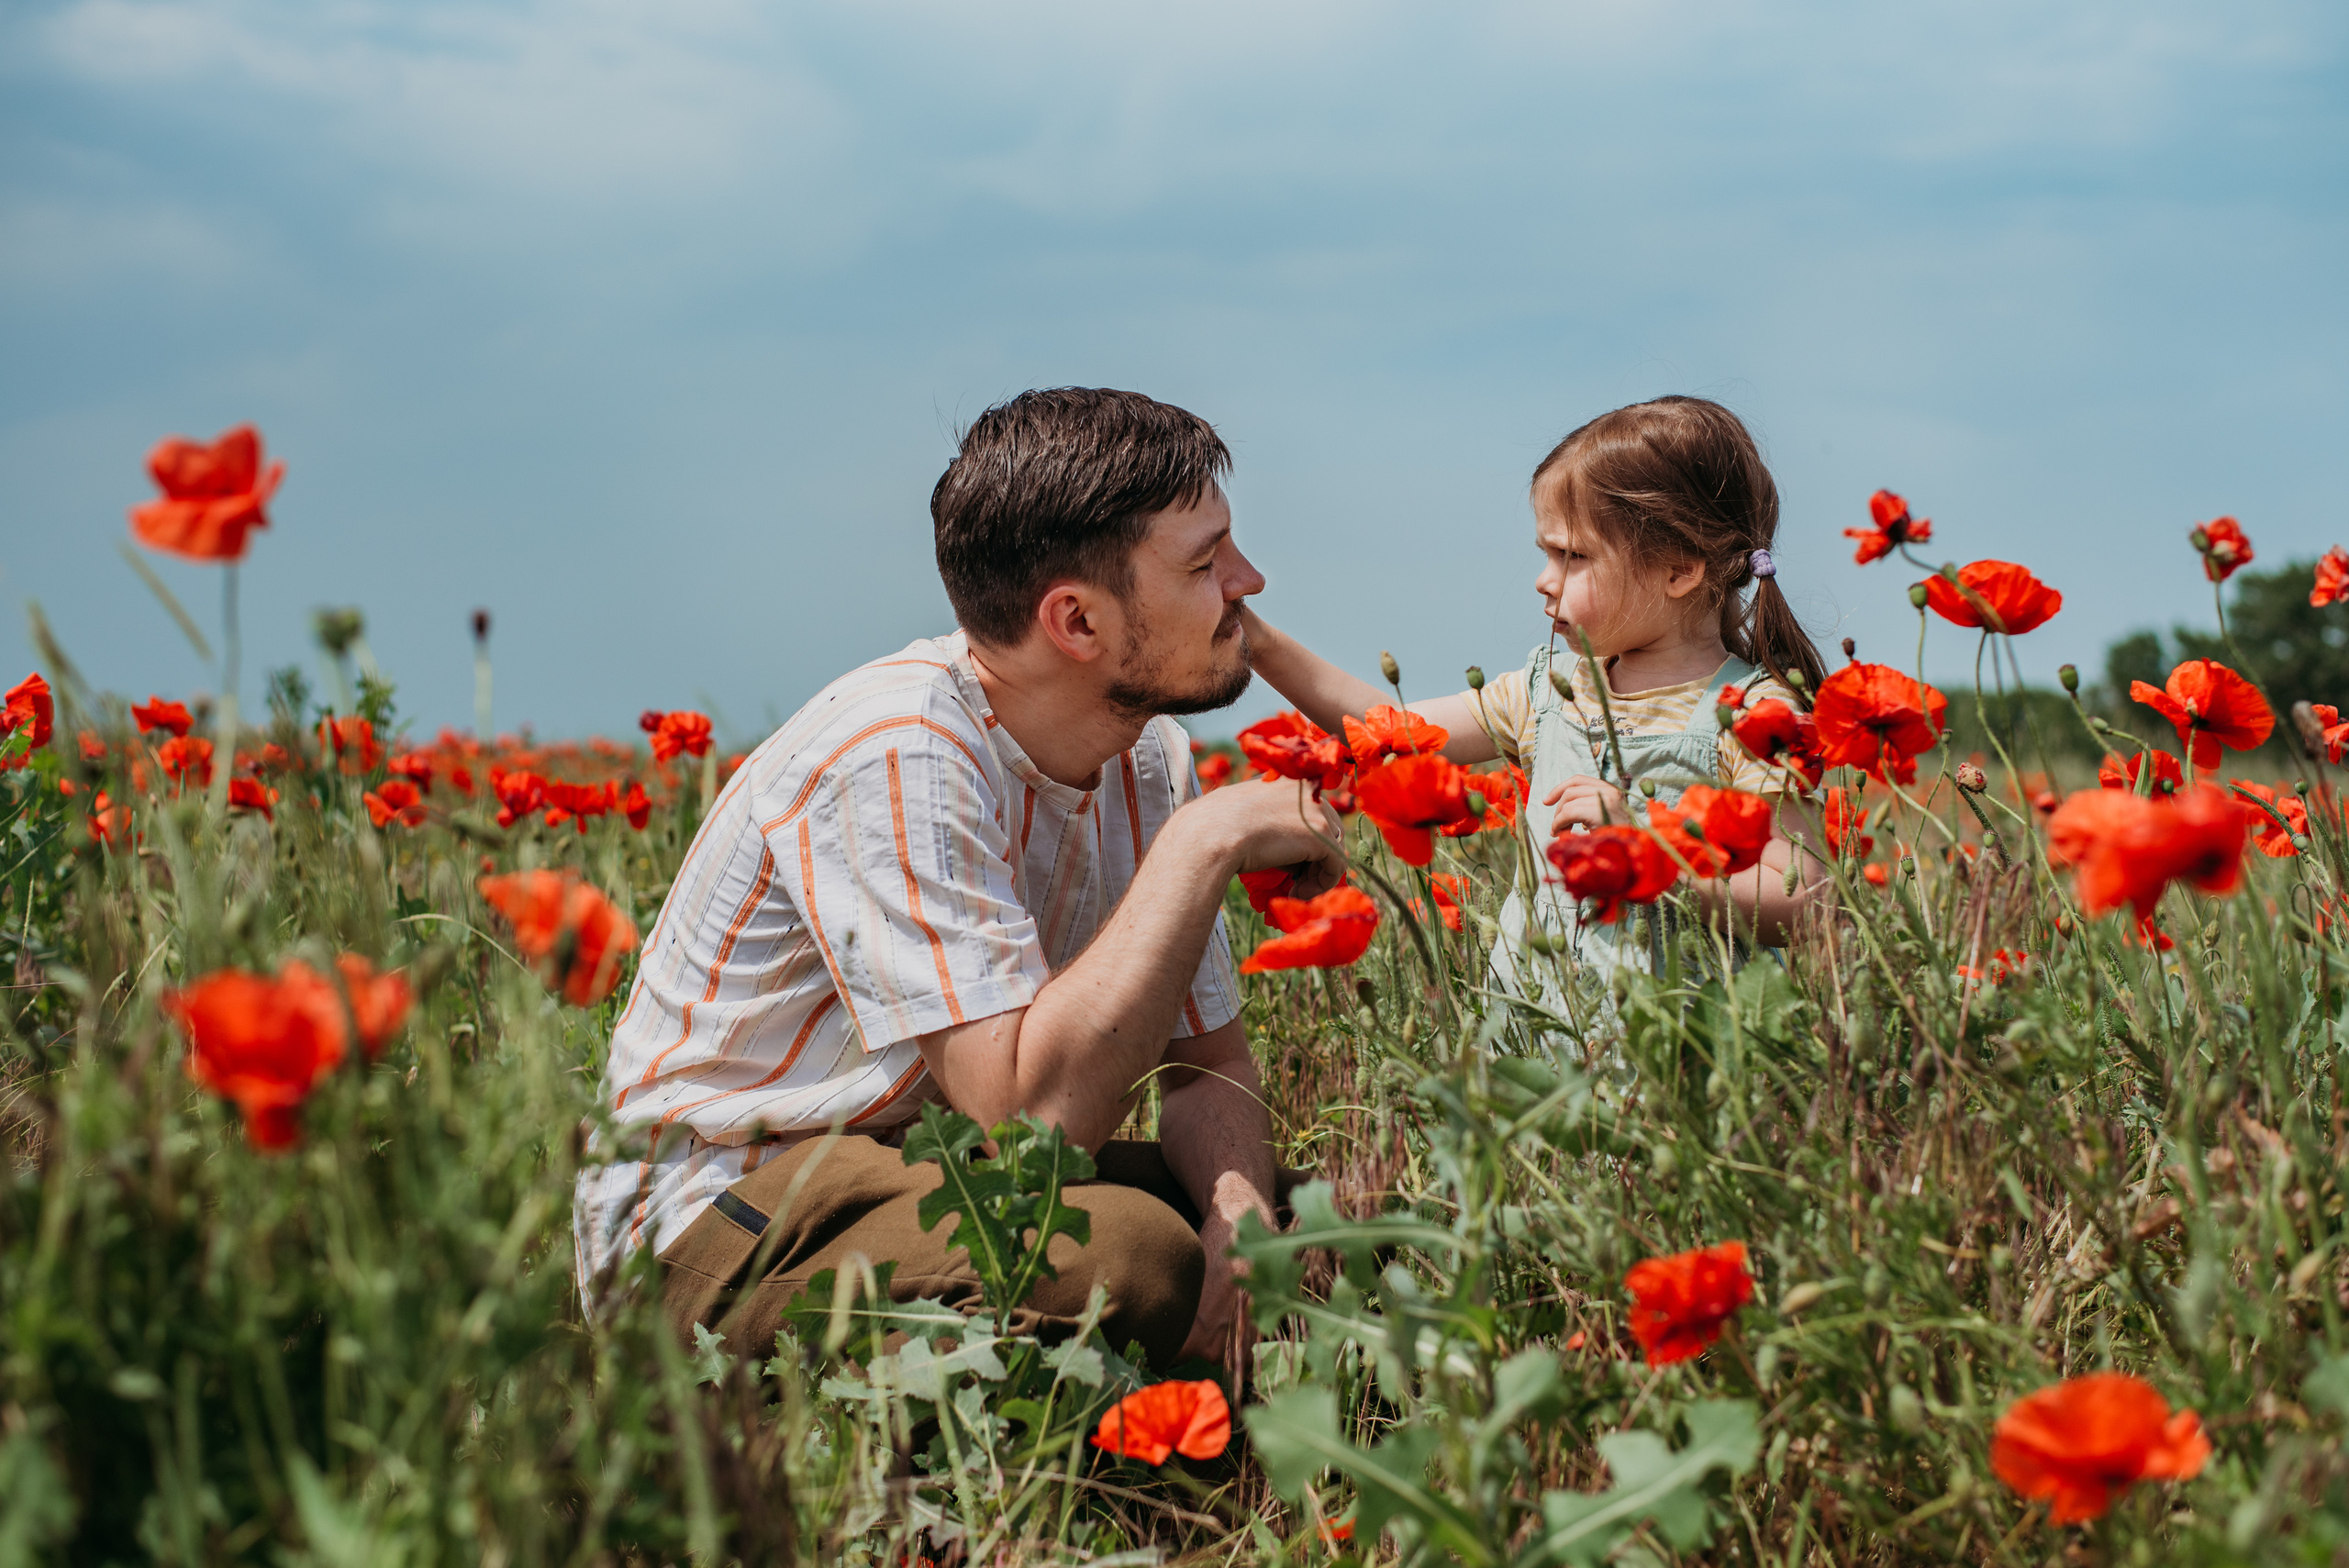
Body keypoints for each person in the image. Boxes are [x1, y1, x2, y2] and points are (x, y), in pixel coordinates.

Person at [573, 387, 1344, 1370]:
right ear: (1076, 619)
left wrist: (1240, 1217)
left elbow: (1206, 1068)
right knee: (1134, 1257)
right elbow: (1031, 1124)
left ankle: (1170, 1443)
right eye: (1204, 563)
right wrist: (1202, 845)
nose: (1249, 580)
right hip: (723, 1217)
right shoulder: (899, 753)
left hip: (929, 1171)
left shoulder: (1147, 757)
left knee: (1324, 1229)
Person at [1243, 395, 1830, 972]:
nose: (1543, 581)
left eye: (1571, 556)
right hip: (1540, 1036)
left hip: (1681, 1049)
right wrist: (1258, 642)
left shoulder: (1760, 714)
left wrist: (1652, 857)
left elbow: (1804, 902)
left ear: (1678, 569)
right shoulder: (1546, 689)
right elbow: (1384, 730)